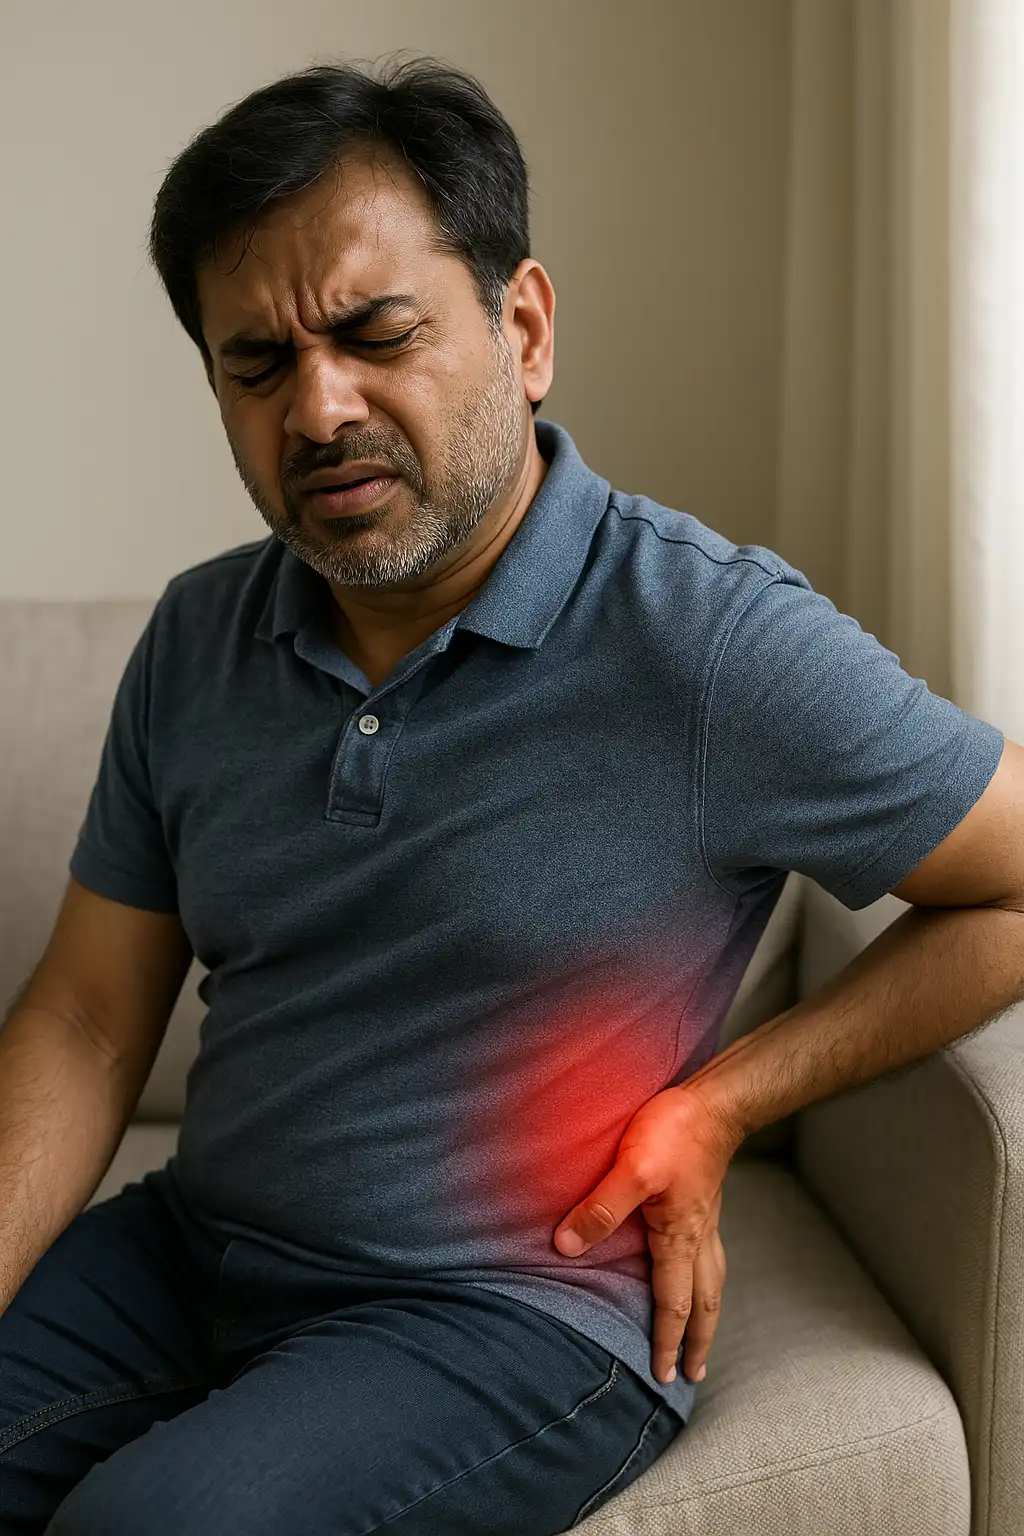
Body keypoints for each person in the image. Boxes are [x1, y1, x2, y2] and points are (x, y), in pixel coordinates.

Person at [0, 53, 1018, 1536]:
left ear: (522, 327)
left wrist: (728, 1101)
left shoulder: (708, 642)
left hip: (506, 1316)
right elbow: (90, 1019)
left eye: (375, 334)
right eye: (257, 364)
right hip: (197, 1251)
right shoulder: (199, 637)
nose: (318, 406)